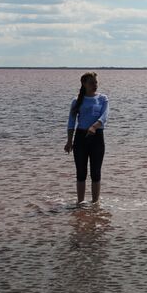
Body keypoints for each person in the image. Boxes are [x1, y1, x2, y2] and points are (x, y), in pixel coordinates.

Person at [64, 71, 107, 204]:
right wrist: (69, 141)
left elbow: (104, 117)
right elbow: (71, 123)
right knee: (81, 172)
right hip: (80, 138)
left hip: (97, 138)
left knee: (95, 172)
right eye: (91, 83)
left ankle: (95, 203)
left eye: (96, 82)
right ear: (84, 84)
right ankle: (80, 203)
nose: (94, 85)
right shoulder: (76, 101)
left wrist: (94, 127)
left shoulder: (102, 99)